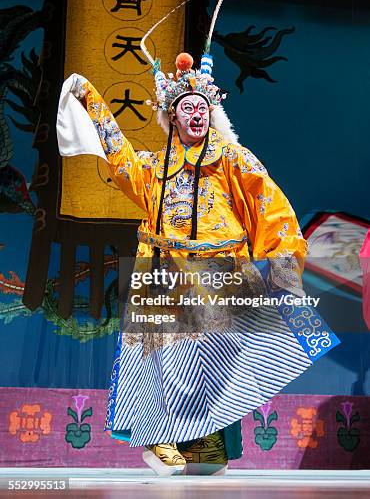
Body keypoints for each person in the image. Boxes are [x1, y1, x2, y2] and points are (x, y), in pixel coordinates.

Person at [58, 49, 339, 475]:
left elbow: (272, 207)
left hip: (225, 275)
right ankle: (161, 439)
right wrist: (91, 99)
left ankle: (208, 446)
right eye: (186, 107)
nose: (196, 114)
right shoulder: (155, 169)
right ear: (171, 117)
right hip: (168, 276)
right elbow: (119, 157)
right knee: (168, 362)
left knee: (227, 358)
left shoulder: (232, 159)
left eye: (202, 107)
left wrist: (282, 269)